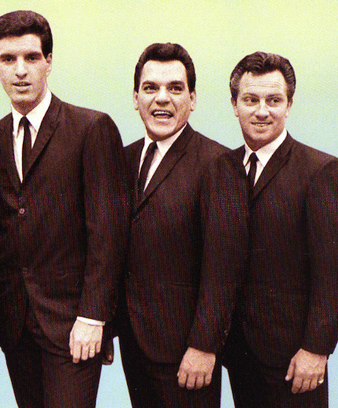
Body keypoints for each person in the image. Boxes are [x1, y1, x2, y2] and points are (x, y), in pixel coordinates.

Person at [0, 10, 129, 408]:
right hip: (16, 327)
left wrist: (95, 317)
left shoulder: (91, 128)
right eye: (8, 59)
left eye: (31, 57)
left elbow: (108, 233)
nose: (20, 70)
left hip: (74, 326)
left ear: (49, 61)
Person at [222, 51, 338, 407]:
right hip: (238, 354)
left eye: (274, 100)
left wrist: (316, 349)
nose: (261, 111)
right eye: (250, 100)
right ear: (234, 105)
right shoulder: (223, 168)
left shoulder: (321, 171)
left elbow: (334, 273)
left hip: (295, 358)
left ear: (289, 105)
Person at [116, 42, 247, 408]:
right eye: (150, 88)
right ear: (135, 98)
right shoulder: (121, 159)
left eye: (175, 88)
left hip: (188, 352)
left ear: (192, 99)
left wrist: (204, 345)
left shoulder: (219, 163)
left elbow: (224, 268)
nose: (162, 99)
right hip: (134, 343)